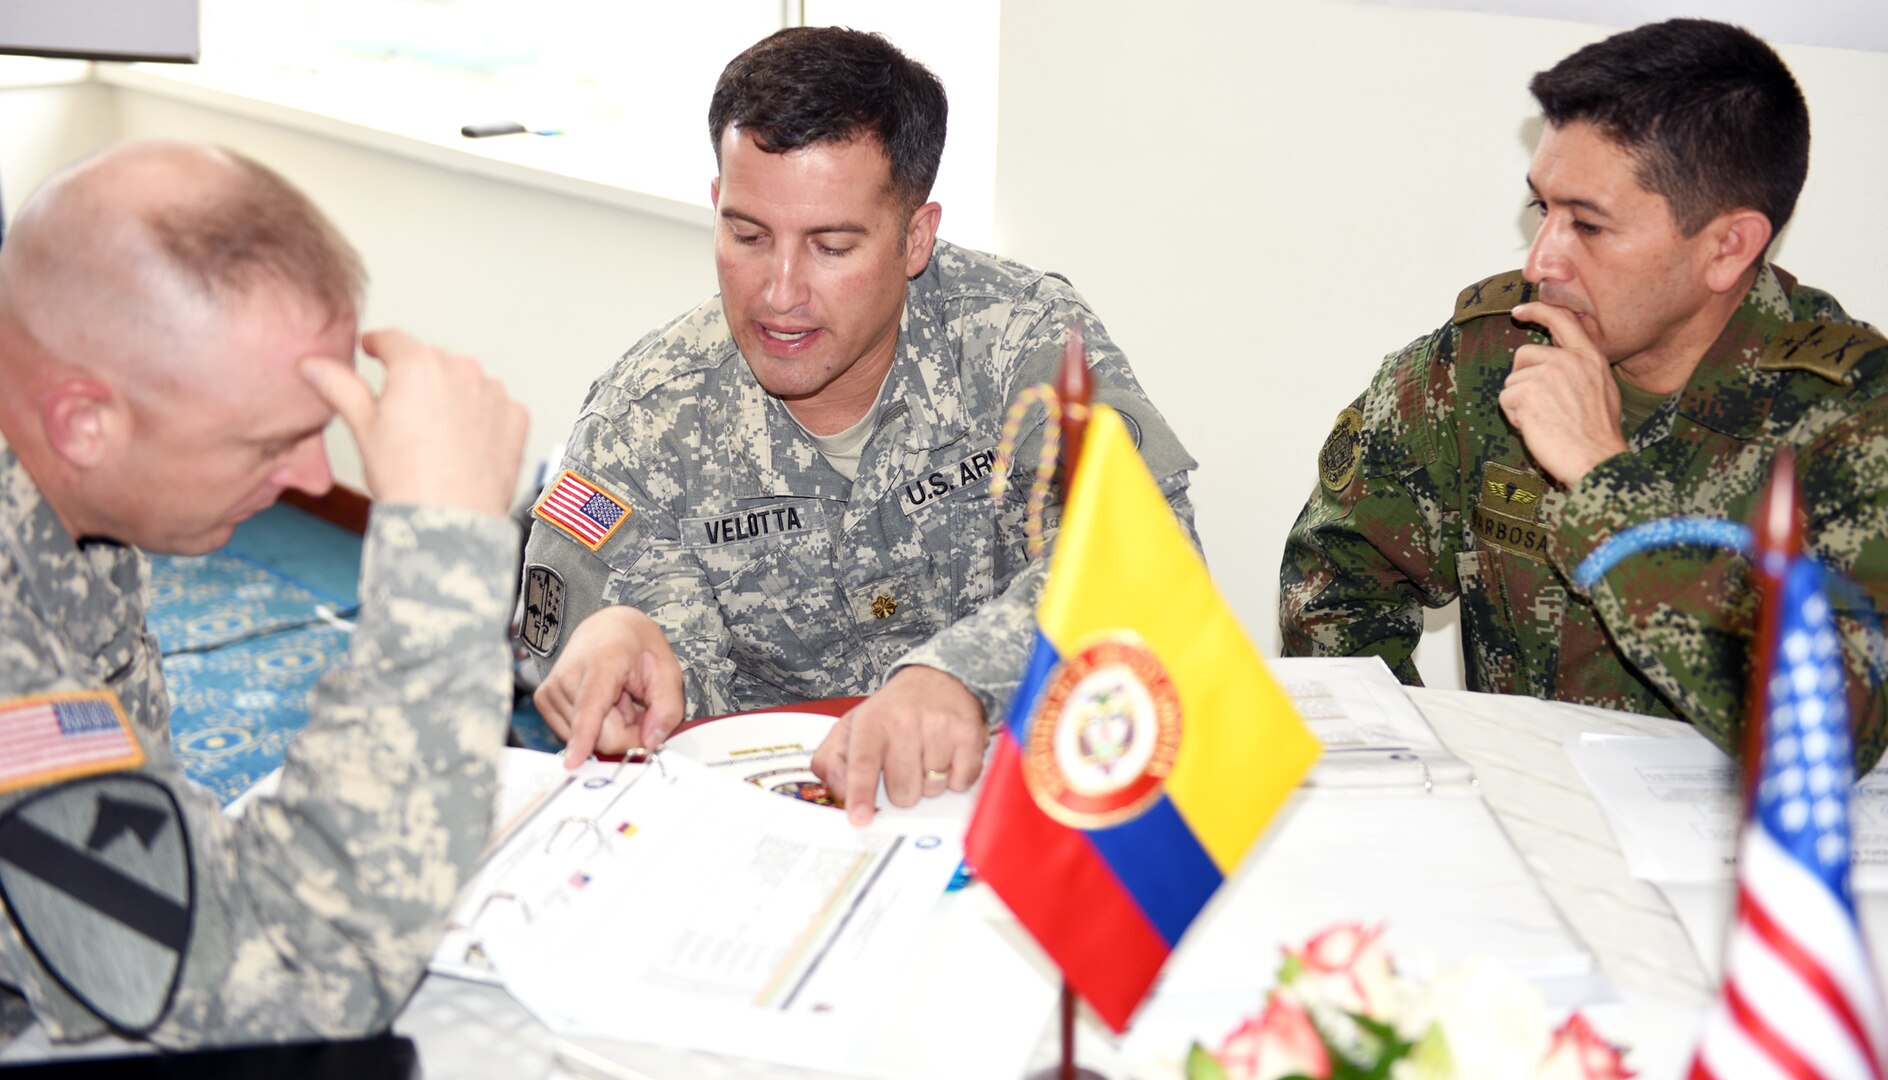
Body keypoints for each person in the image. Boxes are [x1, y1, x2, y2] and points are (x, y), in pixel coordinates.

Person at [522, 26, 1196, 823]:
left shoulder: (1022, 340)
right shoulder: (645, 421)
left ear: (916, 236)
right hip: (783, 826)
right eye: (746, 235)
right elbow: (655, 685)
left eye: (831, 246)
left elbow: (1150, 559)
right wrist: (633, 644)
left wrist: (959, 676)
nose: (778, 293)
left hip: (1015, 811)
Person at [0, 140, 529, 1047]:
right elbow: (276, 984)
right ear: (83, 422)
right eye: (264, 443)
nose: (314, 477)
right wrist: (441, 567)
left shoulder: (61, 490)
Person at [1281, 19, 1888, 770]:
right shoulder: (1483, 359)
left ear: (1728, 246)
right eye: (1543, 209)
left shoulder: (1852, 420)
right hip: (1520, 839)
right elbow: (1335, 584)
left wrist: (1606, 484)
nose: (1541, 261)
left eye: (1589, 225)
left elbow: (1834, 729)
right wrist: (1416, 775)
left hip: (1726, 863)